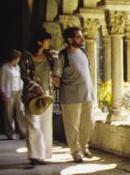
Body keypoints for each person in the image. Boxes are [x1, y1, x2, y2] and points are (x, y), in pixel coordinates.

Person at [53, 26, 96, 163]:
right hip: (71, 97)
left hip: (87, 94)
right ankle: (75, 151)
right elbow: (55, 78)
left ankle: (84, 146)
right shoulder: (63, 55)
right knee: (72, 126)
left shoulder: (83, 52)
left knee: (89, 123)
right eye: (78, 37)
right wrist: (69, 88)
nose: (82, 39)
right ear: (70, 40)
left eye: (81, 36)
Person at [20, 30, 56, 167]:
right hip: (32, 94)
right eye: (47, 40)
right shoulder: (27, 56)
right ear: (39, 42)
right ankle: (35, 155)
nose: (49, 43)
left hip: (47, 93)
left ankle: (44, 155)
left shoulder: (50, 56)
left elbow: (56, 70)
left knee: (46, 124)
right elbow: (24, 74)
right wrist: (34, 85)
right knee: (33, 123)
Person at [0, 49, 27, 140]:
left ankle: (23, 132)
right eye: (18, 57)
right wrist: (3, 92)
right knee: (9, 113)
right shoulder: (5, 67)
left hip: (19, 91)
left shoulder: (17, 67)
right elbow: (2, 81)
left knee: (20, 111)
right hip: (9, 92)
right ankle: (10, 132)